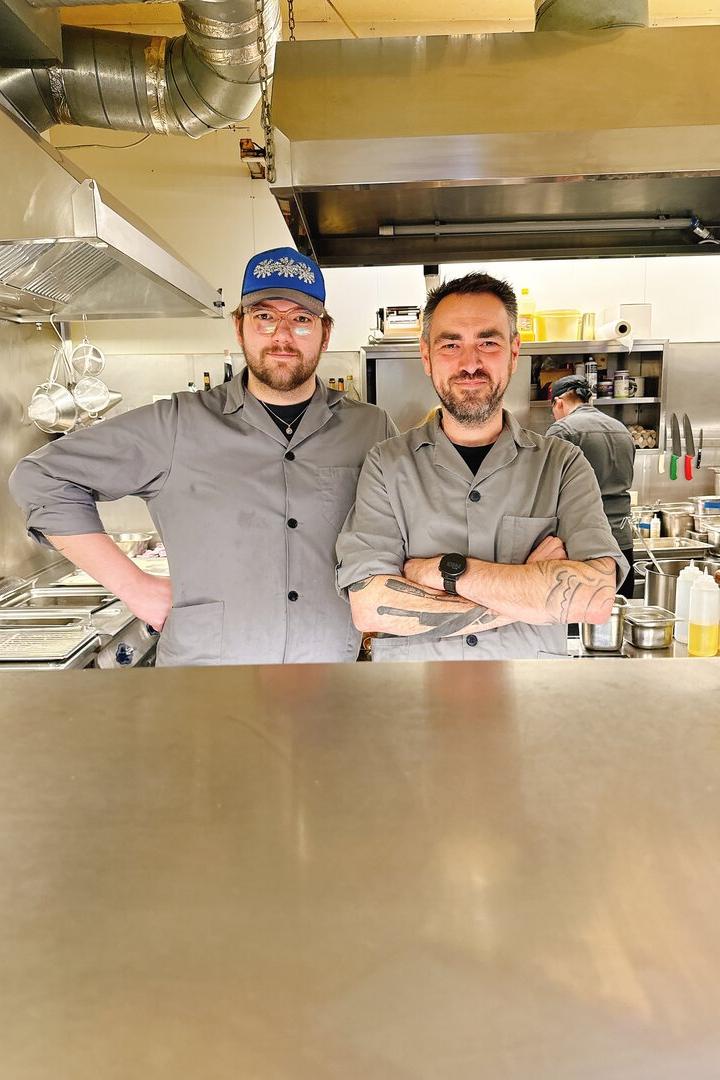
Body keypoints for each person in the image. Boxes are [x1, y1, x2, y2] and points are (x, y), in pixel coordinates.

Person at [10, 247, 396, 666]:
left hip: (331, 674)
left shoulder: (370, 428)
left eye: (301, 319)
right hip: (207, 682)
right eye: (265, 316)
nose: (282, 336)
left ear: (325, 332)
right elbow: (42, 477)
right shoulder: (177, 424)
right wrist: (134, 586)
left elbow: (401, 527)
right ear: (239, 327)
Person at [336, 271, 629, 662]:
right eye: (450, 345)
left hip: (528, 706)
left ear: (513, 352)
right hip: (414, 707)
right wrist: (529, 595)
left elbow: (594, 599)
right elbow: (371, 607)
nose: (469, 364)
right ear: (426, 356)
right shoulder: (387, 465)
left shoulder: (562, 465)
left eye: (487, 342)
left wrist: (446, 573)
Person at [545, 375, 636, 600]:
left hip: (582, 543)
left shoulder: (562, 430)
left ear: (559, 402)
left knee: (580, 623)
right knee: (617, 614)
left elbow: (547, 492)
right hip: (622, 539)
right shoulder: (621, 430)